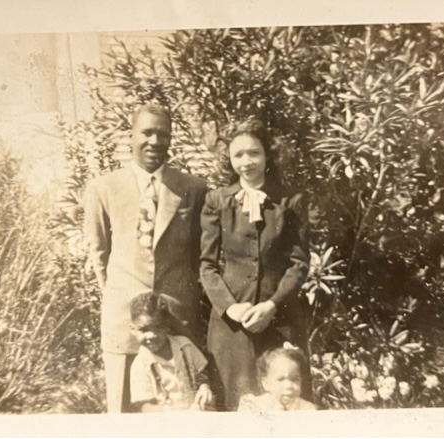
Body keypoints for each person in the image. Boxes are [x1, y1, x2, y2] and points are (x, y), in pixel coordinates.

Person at [84, 104, 208, 413]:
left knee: (186, 411)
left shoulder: (193, 188)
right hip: (125, 319)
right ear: (131, 136)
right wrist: (119, 295)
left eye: (162, 134)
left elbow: (199, 252)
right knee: (124, 412)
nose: (154, 141)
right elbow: (99, 253)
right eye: (147, 133)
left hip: (177, 318)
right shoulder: (104, 188)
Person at [199, 118, 311, 411]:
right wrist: (231, 307)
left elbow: (299, 264)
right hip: (231, 329)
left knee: (285, 407)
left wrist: (272, 305)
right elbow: (207, 266)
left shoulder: (290, 201)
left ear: (267, 154)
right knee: (235, 408)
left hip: (279, 321)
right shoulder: (217, 201)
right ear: (229, 159)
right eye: (238, 155)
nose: (246, 162)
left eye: (254, 153)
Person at [128, 292, 213, 412]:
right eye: (144, 329)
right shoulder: (140, 365)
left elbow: (202, 372)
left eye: (158, 328)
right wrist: (172, 413)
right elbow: (145, 407)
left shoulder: (185, 345)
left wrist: (204, 387)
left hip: (196, 412)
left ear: (167, 325)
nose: (151, 335)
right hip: (165, 423)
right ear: (133, 329)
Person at [238, 344, 317, 412]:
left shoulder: (306, 408)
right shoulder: (255, 405)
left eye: (295, 379)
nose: (289, 386)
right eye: (281, 379)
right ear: (266, 383)